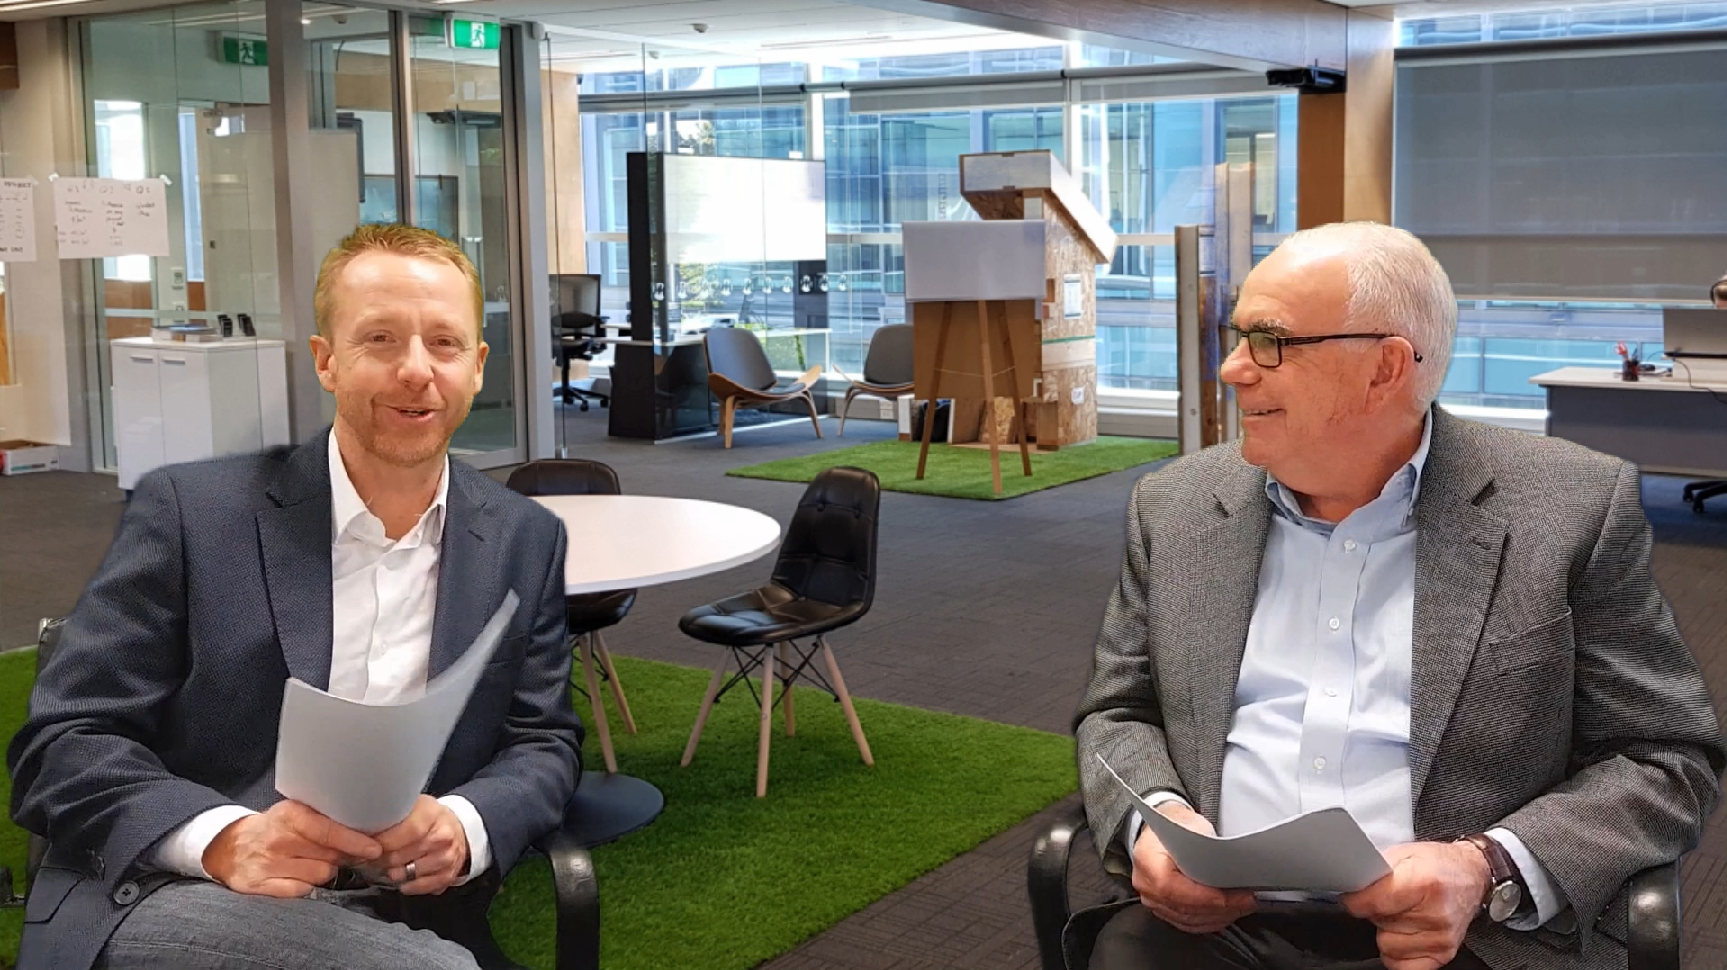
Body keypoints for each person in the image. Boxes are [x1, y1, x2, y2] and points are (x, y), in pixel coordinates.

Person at [1074, 221, 1723, 970]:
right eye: (1237, 336)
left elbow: (1664, 757)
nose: (1232, 368)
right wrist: (1153, 820)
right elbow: (1117, 711)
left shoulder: (1569, 511)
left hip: (1467, 935)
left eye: (1269, 341)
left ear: (1383, 368)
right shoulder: (1175, 507)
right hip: (1207, 927)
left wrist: (1488, 868)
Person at [8, 224, 583, 970]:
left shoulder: (523, 539)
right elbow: (64, 743)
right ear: (327, 361)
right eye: (380, 339)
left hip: (401, 909)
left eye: (443, 343)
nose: (417, 370)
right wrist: (223, 838)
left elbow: (543, 740)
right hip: (181, 889)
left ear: (475, 367)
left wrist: (466, 823)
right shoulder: (193, 514)